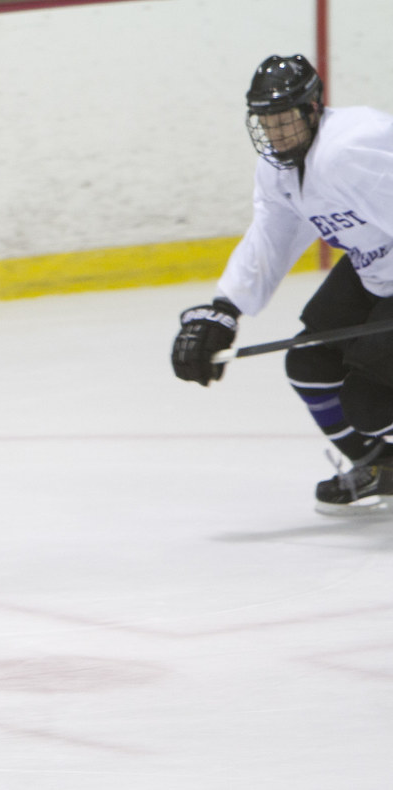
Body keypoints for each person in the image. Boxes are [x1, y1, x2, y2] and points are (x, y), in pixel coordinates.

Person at [172, 54, 393, 514]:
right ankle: (381, 469)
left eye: (284, 120)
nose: (275, 133)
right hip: (372, 268)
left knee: (372, 404)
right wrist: (225, 308)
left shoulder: (352, 148)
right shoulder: (279, 170)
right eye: (266, 122)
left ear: (313, 110)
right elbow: (271, 238)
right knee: (309, 366)